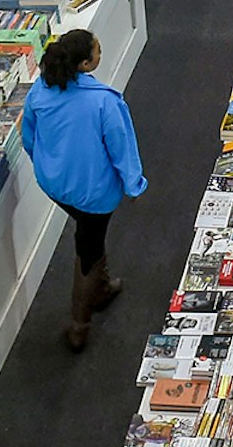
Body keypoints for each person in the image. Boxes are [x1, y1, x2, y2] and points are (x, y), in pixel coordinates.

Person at [21, 30, 146, 352]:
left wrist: (47, 164)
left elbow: (29, 137)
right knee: (88, 248)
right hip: (93, 192)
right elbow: (121, 147)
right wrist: (133, 183)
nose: (101, 53)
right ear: (86, 63)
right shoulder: (105, 101)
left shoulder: (41, 88)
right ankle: (80, 323)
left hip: (53, 183)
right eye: (98, 50)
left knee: (89, 235)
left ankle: (102, 288)